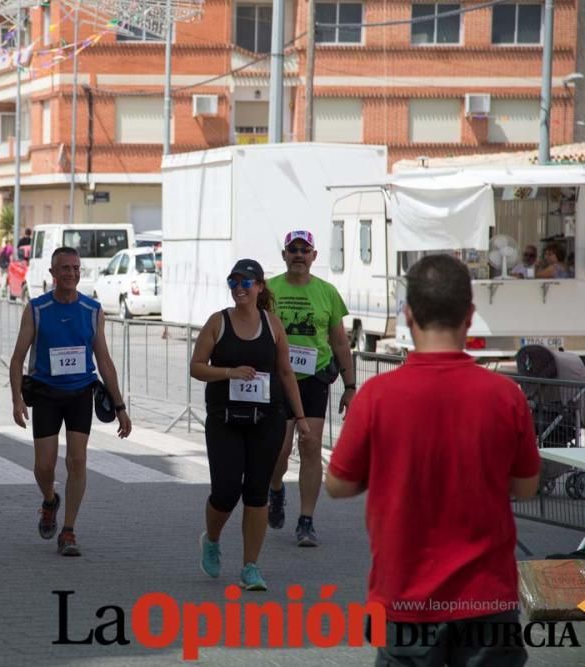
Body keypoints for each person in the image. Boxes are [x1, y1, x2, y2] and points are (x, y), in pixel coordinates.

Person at [326, 254, 540, 665]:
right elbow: (526, 487)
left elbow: (339, 484)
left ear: (407, 315)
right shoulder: (505, 396)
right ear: (470, 314)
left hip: (405, 599)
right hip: (487, 601)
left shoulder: (376, 397)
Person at [190, 260, 309, 590]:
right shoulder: (218, 322)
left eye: (246, 282)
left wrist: (300, 419)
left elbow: (286, 372)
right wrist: (229, 372)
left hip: (266, 420)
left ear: (259, 287)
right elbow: (197, 367)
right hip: (225, 420)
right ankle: (212, 540)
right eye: (234, 281)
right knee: (226, 491)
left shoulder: (273, 325)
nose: (239, 287)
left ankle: (250, 567)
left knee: (257, 493)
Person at [9, 247, 132, 557]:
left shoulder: (92, 309)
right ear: (52, 273)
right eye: (64, 268)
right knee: (43, 466)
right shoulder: (37, 308)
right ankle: (50, 499)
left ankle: (69, 530)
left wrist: (120, 406)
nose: (71, 273)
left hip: (80, 393)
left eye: (76, 268)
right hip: (47, 393)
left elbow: (104, 360)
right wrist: (16, 400)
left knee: (77, 461)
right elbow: (17, 358)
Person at [265, 230, 354, 547]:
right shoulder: (270, 290)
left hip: (314, 377)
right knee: (280, 451)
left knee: (310, 446)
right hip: (278, 379)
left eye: (305, 250)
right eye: (293, 249)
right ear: (285, 255)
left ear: (314, 256)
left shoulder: (327, 292)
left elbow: (340, 342)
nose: (299, 255)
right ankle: (275, 490)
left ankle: (306, 520)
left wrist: (351, 386)